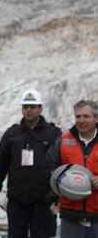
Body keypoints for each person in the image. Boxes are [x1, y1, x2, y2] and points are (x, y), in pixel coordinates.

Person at [0, 89, 62, 238]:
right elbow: (1, 163)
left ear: (40, 108)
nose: (28, 110)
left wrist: (58, 194)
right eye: (25, 106)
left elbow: (61, 164)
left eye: (32, 107)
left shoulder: (53, 133)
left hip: (44, 200)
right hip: (17, 199)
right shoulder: (12, 133)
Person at [45, 100, 98, 237]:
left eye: (86, 116)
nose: (81, 120)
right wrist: (61, 181)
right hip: (70, 216)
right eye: (78, 116)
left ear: (96, 118)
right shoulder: (63, 140)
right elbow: (49, 167)